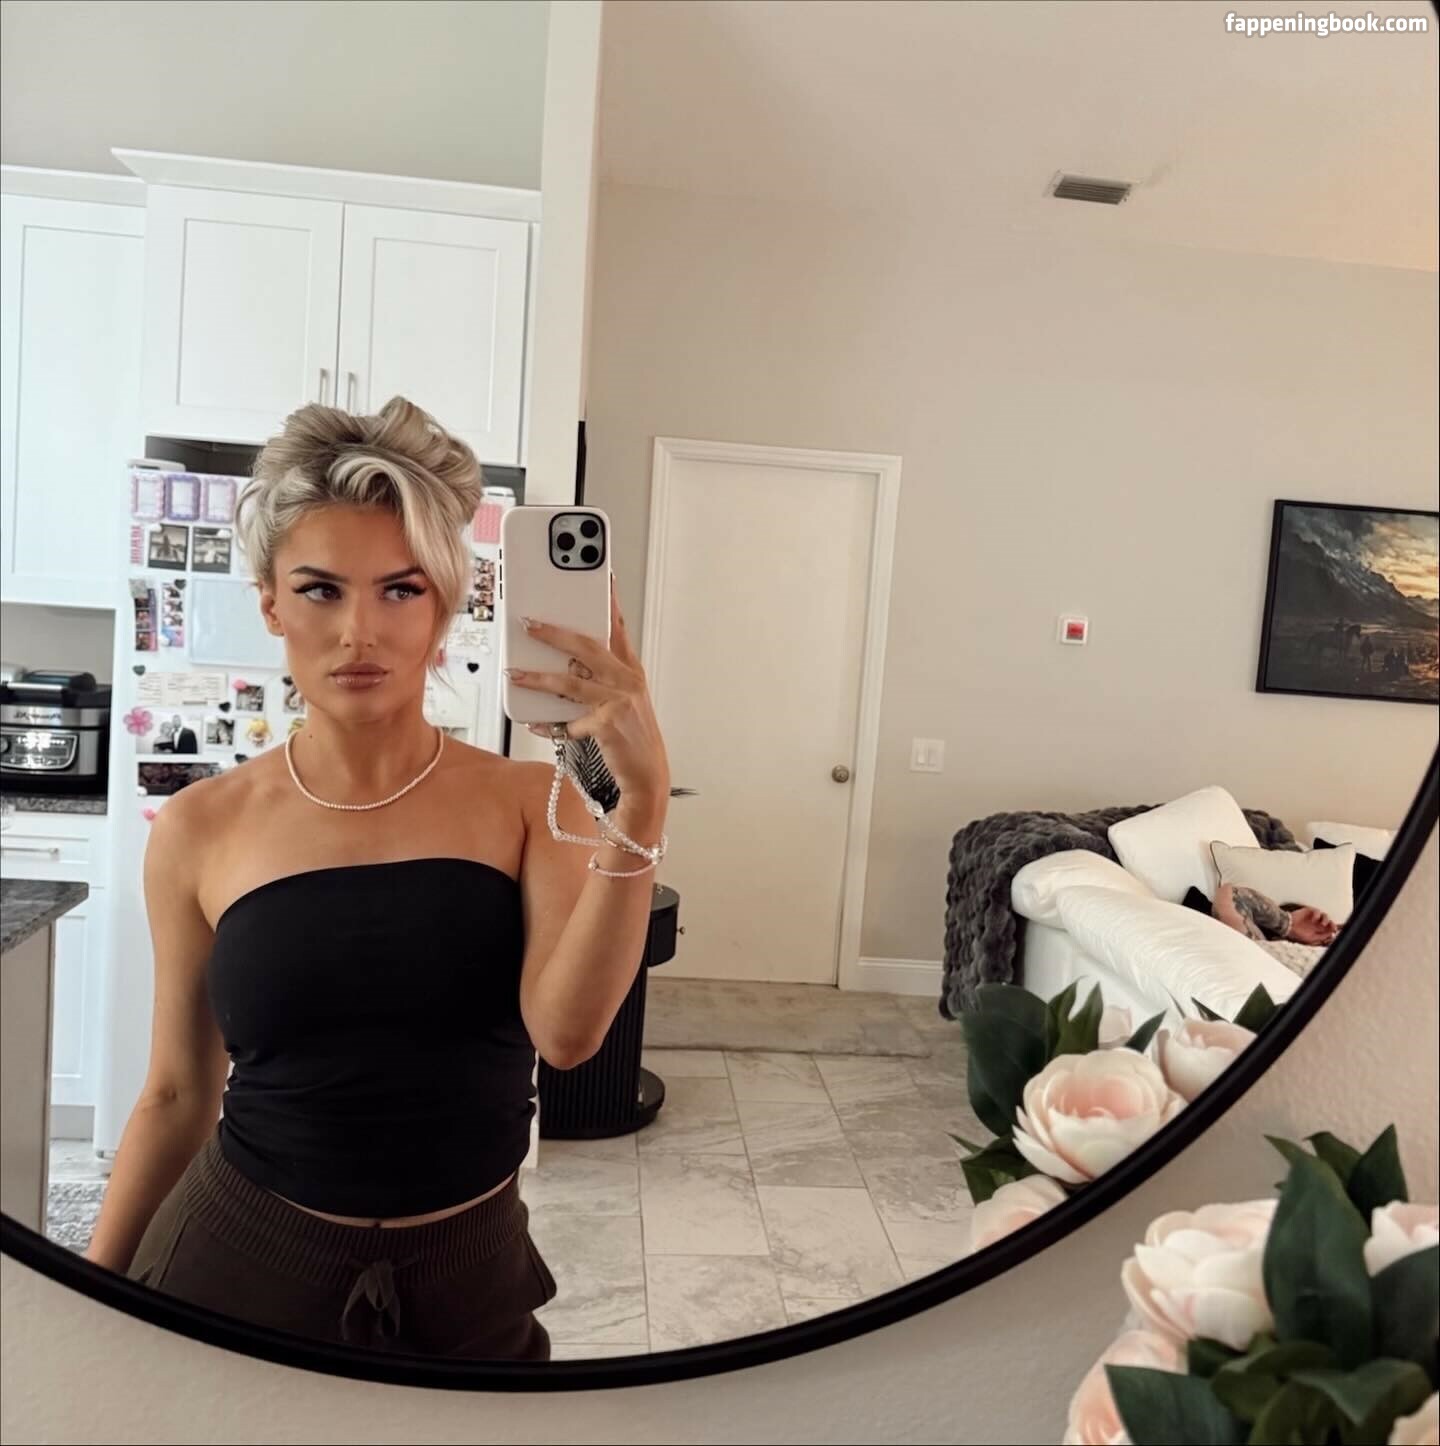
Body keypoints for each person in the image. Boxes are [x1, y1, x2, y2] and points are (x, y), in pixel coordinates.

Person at [84, 397, 671, 1361]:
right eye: (320, 590)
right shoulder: (199, 827)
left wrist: (638, 807)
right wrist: (87, 1303)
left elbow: (567, 1039)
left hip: (467, 1279)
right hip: (238, 1266)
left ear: (443, 610)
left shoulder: (531, 799)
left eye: (400, 590)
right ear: (271, 604)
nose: (359, 630)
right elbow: (178, 1095)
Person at [1212, 883, 1338, 947]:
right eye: (1320, 937)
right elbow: (1233, 897)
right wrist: (1286, 923)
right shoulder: (1264, 951)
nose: (1327, 939)